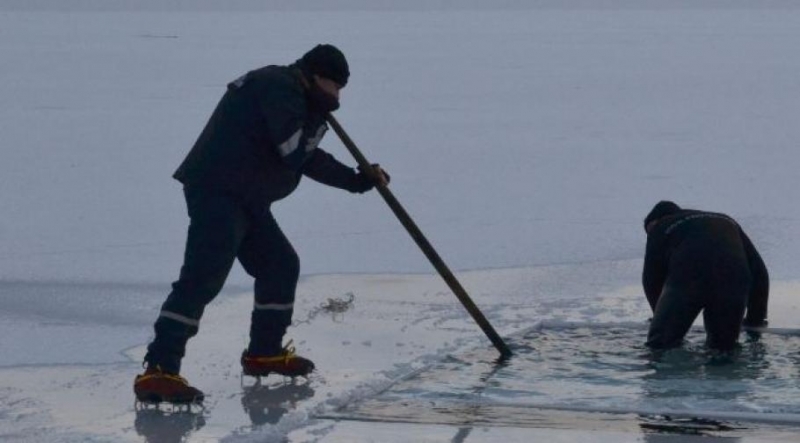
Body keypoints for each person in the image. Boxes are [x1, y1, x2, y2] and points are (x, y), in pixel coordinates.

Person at [134, 44, 389, 404]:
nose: (337, 96)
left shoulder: (295, 94)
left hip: (246, 196)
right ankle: (158, 370)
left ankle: (264, 352)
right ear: (317, 76)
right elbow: (295, 151)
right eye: (335, 87)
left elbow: (305, 156)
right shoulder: (278, 88)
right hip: (219, 192)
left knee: (279, 265)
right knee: (202, 276)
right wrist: (317, 113)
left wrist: (354, 179)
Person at [642, 200, 769, 352]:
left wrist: (660, 315)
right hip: (734, 279)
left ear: (655, 222)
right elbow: (759, 272)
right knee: (723, 349)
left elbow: (651, 278)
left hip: (688, 278)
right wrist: (756, 319)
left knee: (660, 345)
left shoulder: (661, 227)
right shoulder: (725, 220)